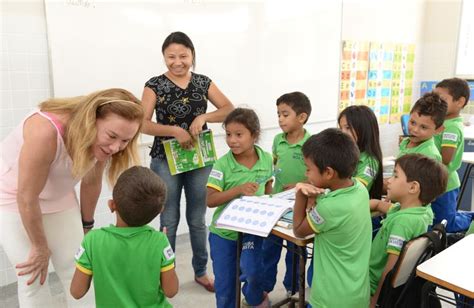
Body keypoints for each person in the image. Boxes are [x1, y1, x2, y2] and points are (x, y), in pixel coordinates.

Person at [0, 88, 144, 307]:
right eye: (112, 136)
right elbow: (27, 197)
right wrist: (40, 247)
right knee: (33, 278)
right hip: (13, 199)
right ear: (91, 119)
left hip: (58, 195)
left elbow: (91, 182)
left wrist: (87, 225)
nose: (116, 147)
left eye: (125, 141)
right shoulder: (45, 131)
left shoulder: (103, 143)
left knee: (79, 267)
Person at [141, 31, 234, 292]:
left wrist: (204, 118)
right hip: (164, 160)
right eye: (171, 56)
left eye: (183, 55)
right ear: (164, 57)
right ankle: (164, 275)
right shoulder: (154, 85)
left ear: (192, 55)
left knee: (197, 218)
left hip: (200, 159)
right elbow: (143, 123)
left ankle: (201, 271)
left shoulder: (203, 82)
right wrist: (173, 130)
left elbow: (228, 108)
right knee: (167, 219)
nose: (177, 61)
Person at [70, 166, 179, 307]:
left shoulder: (92, 240)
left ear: (111, 205)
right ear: (159, 211)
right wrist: (167, 255)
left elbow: (76, 292)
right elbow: (171, 291)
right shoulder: (159, 241)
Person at [292, 128, 372, 307]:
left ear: (328, 173)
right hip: (356, 293)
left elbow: (298, 230)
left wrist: (301, 193)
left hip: (331, 299)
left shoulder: (329, 208)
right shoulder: (359, 188)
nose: (306, 175)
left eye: (308, 169)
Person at [207, 108, 273, 308]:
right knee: (226, 288)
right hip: (224, 234)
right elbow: (210, 200)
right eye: (228, 134)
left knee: (253, 272)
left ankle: (254, 300)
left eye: (238, 135)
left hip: (253, 231)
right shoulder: (221, 165)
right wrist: (238, 190)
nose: (232, 140)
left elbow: (268, 187)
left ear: (254, 135)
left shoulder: (267, 159)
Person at [368, 154, 448, 306]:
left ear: (413, 187)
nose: (389, 181)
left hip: (371, 283)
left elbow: (390, 270)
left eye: (395, 176)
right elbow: (379, 204)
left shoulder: (402, 223)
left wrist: (374, 301)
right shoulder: (421, 211)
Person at [261, 92, 311, 295]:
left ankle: (293, 289)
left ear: (301, 117)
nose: (280, 119)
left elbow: (315, 175)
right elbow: (273, 165)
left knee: (295, 251)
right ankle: (264, 288)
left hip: (299, 205)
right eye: (278, 114)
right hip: (276, 203)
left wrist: (301, 184)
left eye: (285, 114)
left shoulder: (312, 143)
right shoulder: (277, 140)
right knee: (269, 248)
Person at [432, 78, 474, 232]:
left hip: (446, 184)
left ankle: (470, 217)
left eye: (442, 99)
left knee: (445, 223)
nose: (437, 103)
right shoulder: (441, 122)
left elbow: (445, 159)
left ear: (460, 102)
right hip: (434, 181)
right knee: (435, 222)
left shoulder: (451, 128)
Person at [397, 92, 446, 161]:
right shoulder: (405, 142)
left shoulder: (430, 156)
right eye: (413, 123)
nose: (415, 130)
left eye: (423, 127)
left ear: (438, 130)